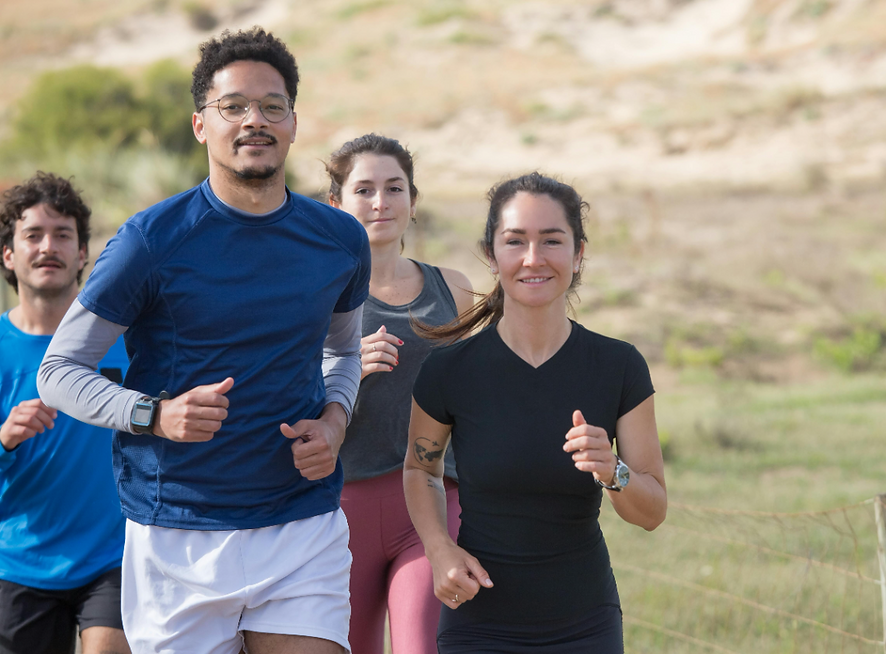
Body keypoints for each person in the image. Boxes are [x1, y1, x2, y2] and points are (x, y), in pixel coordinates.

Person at [37, 28, 371, 654]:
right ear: (200, 125)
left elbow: (342, 353)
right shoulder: (149, 242)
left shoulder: (339, 240)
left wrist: (334, 420)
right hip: (176, 533)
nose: (255, 121)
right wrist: (154, 414)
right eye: (233, 107)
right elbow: (59, 370)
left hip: (301, 523)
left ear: (294, 123)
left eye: (273, 106)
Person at [403, 172, 668, 653]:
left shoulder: (618, 366)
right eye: (515, 241)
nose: (533, 258)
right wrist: (438, 548)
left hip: (585, 624)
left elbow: (652, 512)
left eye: (552, 241)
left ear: (579, 252)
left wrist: (613, 471)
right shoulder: (449, 370)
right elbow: (420, 470)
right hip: (477, 623)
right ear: (491, 253)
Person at [325, 134, 473, 654]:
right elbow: (279, 398)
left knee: (420, 646)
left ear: (414, 200)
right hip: (341, 507)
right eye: (364, 189)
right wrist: (341, 368)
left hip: (433, 500)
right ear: (336, 204)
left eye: (395, 188)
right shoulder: (315, 297)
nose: (381, 202)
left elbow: (481, 393)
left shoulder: (453, 290)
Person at [0, 172, 130, 654]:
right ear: (9, 255)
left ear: (82, 255)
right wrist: (4, 439)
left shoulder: (121, 342)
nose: (47, 246)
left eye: (62, 235)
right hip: (20, 564)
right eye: (32, 235)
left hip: (113, 557)